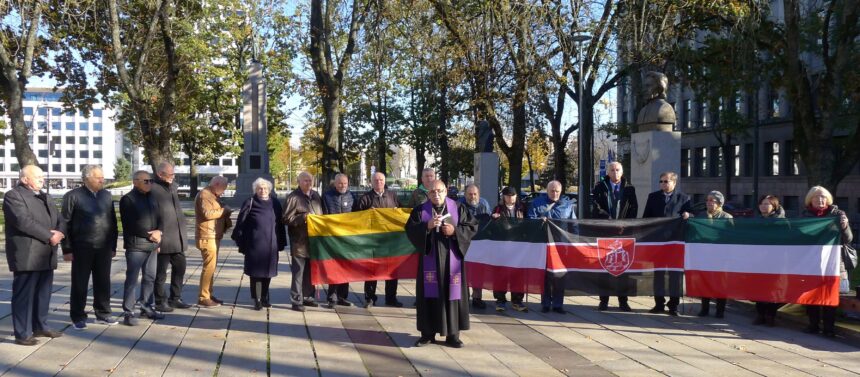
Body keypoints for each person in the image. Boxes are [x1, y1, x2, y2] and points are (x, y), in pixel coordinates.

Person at [405, 181, 478, 348]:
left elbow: (472, 226)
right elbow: (410, 230)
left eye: (439, 191)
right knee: (428, 295)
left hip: (452, 263)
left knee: (452, 295)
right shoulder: (420, 211)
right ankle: (427, 334)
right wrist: (427, 226)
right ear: (428, 194)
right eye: (432, 192)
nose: (435, 194)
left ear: (446, 192)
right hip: (429, 262)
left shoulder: (458, 208)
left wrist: (455, 231)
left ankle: (453, 335)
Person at [3, 165, 65, 346]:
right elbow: (23, 221)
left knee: (43, 293)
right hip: (27, 253)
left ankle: (40, 325)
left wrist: (60, 232)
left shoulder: (45, 196)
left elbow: (60, 218)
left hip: (46, 253)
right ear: (24, 179)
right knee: (24, 295)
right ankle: (22, 333)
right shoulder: (14, 195)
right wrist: (50, 235)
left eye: (42, 177)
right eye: (37, 177)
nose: (42, 180)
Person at [61, 165, 119, 329]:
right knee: (80, 283)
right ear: (87, 178)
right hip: (81, 247)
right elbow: (65, 223)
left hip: (104, 247)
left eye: (103, 177)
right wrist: (67, 249)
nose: (102, 180)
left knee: (103, 281)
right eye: (98, 177)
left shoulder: (106, 196)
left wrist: (113, 245)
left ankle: (103, 313)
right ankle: (78, 316)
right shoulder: (73, 196)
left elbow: (113, 222)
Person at [800, 186, 852, 337]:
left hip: (833, 262)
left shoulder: (837, 214)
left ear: (828, 199)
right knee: (811, 295)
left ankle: (829, 328)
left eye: (823, 197)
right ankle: (813, 325)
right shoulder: (805, 216)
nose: (820, 200)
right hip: (811, 262)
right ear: (811, 200)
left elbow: (848, 239)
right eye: (816, 197)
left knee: (829, 295)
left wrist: (845, 226)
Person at [119, 171, 166, 326]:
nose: (150, 183)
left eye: (151, 181)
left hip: (152, 244)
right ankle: (129, 311)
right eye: (146, 181)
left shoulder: (152, 197)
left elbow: (160, 217)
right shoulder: (128, 199)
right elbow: (130, 224)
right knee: (132, 279)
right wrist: (150, 235)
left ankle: (146, 306)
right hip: (136, 245)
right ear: (135, 182)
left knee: (150, 277)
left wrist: (159, 232)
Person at [591, 161, 638, 311]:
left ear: (622, 172)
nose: (615, 172)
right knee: (605, 267)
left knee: (623, 268)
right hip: (605, 232)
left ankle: (623, 301)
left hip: (623, 233)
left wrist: (624, 224)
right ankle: (603, 300)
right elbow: (595, 207)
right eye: (612, 170)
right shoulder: (600, 187)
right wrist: (609, 221)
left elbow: (633, 207)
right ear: (608, 173)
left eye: (618, 170)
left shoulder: (629, 188)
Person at [233, 178, 286, 310]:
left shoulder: (275, 203)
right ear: (255, 190)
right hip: (254, 244)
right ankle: (256, 299)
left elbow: (280, 224)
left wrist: (281, 242)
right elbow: (241, 223)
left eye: (265, 188)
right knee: (256, 272)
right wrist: (241, 241)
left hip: (271, 243)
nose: (263, 191)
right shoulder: (250, 202)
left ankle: (264, 297)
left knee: (268, 272)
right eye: (260, 188)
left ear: (270, 190)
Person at [642, 171, 691, 316]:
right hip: (658, 243)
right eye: (661, 181)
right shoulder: (653, 197)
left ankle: (674, 305)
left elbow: (692, 214)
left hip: (675, 243)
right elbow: (646, 218)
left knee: (675, 275)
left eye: (666, 181)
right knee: (658, 274)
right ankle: (658, 303)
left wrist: (689, 215)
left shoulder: (684, 198)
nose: (663, 184)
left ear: (674, 183)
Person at [528, 180, 576, 314]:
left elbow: (573, 225)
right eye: (552, 191)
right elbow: (529, 220)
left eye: (557, 191)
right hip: (543, 245)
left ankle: (558, 304)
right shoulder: (537, 204)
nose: (554, 193)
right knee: (545, 276)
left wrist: (574, 242)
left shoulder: (567, 205)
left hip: (560, 246)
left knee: (559, 276)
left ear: (561, 192)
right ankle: (545, 303)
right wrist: (539, 221)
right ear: (547, 190)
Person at [356, 172, 403, 308]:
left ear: (384, 181)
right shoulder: (365, 198)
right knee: (372, 271)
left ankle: (391, 298)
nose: (379, 182)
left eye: (381, 180)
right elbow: (356, 218)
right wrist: (366, 214)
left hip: (390, 241)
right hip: (373, 241)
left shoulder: (392, 196)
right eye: (376, 180)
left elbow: (401, 214)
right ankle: (370, 298)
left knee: (393, 270)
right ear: (371, 182)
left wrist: (397, 212)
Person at [150, 161, 191, 312]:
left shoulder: (172, 186)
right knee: (160, 273)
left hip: (177, 238)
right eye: (170, 174)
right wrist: (156, 240)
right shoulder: (153, 189)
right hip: (163, 239)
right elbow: (151, 214)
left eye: (174, 174)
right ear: (160, 174)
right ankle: (160, 301)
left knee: (180, 268)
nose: (173, 177)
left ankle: (175, 298)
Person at [283, 171, 323, 312]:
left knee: (310, 272)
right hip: (299, 242)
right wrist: (303, 217)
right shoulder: (293, 197)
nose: (308, 183)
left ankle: (308, 297)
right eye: (305, 180)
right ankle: (296, 300)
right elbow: (286, 219)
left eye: (310, 180)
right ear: (299, 182)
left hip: (314, 241)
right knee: (299, 272)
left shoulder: (316, 196)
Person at [195, 176, 232, 308]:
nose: (224, 190)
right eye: (224, 187)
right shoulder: (205, 195)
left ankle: (208, 294)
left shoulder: (212, 195)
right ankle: (203, 297)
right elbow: (207, 214)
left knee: (211, 267)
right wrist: (224, 211)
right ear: (216, 184)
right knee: (209, 267)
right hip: (207, 236)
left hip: (213, 235)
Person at [490, 186, 528, 312]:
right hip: (502, 248)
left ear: (516, 196)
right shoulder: (498, 209)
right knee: (501, 274)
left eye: (512, 195)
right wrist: (494, 219)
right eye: (507, 195)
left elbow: (529, 223)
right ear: (503, 197)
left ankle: (517, 301)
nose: (510, 197)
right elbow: (492, 227)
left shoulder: (522, 208)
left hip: (518, 247)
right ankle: (500, 301)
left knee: (518, 275)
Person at [321, 173, 356, 308]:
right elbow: (323, 215)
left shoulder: (352, 196)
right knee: (334, 268)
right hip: (332, 238)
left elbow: (357, 214)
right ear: (335, 183)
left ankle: (342, 296)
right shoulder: (327, 196)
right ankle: (332, 297)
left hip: (347, 238)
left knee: (346, 268)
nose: (343, 186)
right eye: (340, 183)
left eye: (345, 183)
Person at [697, 190, 733, 318]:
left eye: (712, 200)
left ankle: (720, 310)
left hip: (721, 256)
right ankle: (704, 309)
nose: (709, 203)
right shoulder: (701, 216)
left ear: (719, 203)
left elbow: (731, 236)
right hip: (705, 255)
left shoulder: (726, 217)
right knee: (705, 281)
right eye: (707, 200)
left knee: (721, 283)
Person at [753, 194, 785, 326]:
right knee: (758, 288)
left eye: (767, 204)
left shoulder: (782, 222)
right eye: (762, 204)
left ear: (774, 206)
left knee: (773, 289)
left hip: (775, 261)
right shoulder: (756, 221)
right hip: (758, 261)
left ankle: (771, 315)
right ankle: (760, 315)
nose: (764, 206)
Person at [459, 184, 491, 309]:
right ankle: (464, 298)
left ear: (479, 194)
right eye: (470, 194)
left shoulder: (484, 204)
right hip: (465, 242)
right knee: (465, 270)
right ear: (465, 194)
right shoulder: (459, 205)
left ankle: (477, 298)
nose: (472, 196)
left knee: (478, 270)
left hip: (480, 243)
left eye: (475, 194)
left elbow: (488, 220)